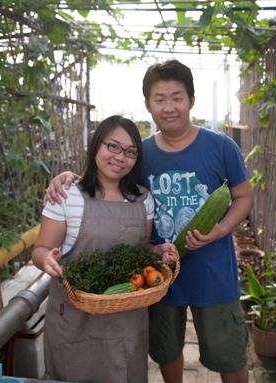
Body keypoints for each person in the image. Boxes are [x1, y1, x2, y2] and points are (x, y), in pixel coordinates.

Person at [44, 60, 254, 383]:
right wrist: (69, 177)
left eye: (177, 97)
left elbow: (243, 197)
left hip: (213, 274)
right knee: (166, 350)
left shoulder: (221, 146)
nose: (168, 107)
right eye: (159, 99)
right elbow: (107, 177)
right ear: (148, 105)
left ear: (191, 101)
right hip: (156, 275)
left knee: (229, 353)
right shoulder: (138, 154)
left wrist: (221, 230)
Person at [33, 115, 176, 382]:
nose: (121, 157)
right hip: (73, 318)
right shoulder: (66, 195)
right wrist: (46, 260)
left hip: (127, 318)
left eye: (130, 151)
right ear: (96, 145)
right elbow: (41, 248)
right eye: (112, 146)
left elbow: (142, 249)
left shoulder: (143, 199)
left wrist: (159, 252)